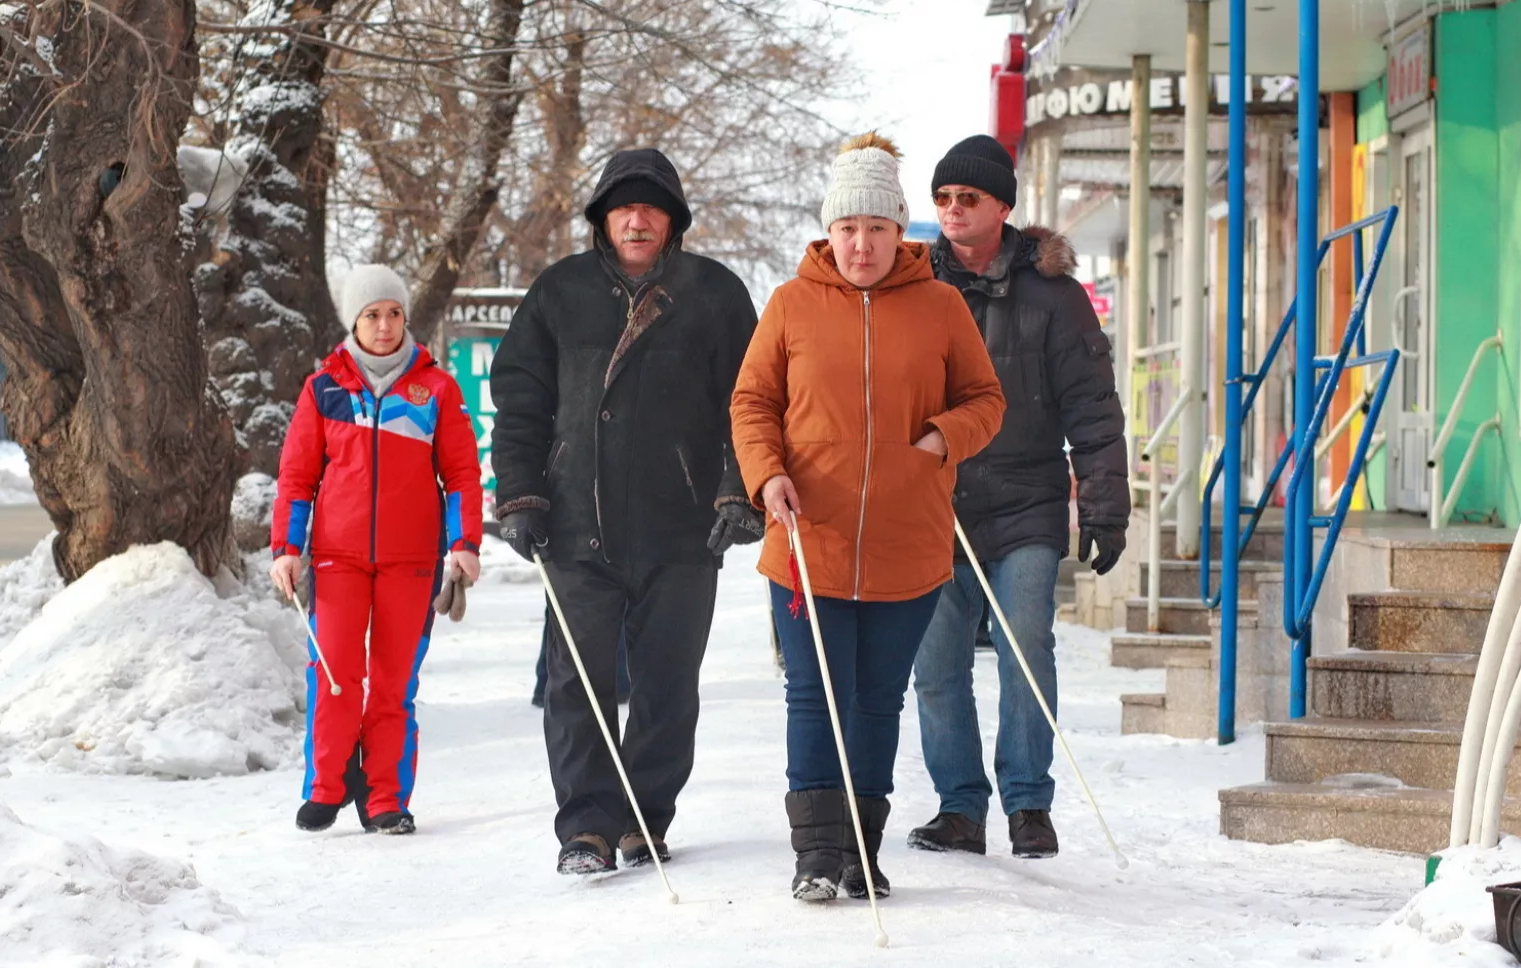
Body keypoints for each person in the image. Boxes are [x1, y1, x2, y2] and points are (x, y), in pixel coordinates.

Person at [730, 132, 1006, 902]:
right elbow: (752, 403)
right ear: (830, 230)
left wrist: (941, 438)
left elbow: (987, 400)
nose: (861, 244)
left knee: (878, 701)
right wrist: (767, 474)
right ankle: (815, 853)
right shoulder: (789, 305)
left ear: (898, 230)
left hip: (906, 545)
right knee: (814, 695)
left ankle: (860, 851)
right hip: (805, 541)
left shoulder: (942, 306)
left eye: (877, 229)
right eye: (848, 229)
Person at [490, 148, 764, 874]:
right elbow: (520, 402)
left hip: (683, 527)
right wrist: (520, 494)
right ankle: (584, 827)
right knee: (577, 681)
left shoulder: (714, 293)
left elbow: (754, 404)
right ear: (603, 220)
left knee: (667, 685)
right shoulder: (559, 292)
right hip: (577, 524)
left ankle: (645, 817)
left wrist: (740, 492)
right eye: (623, 207)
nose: (637, 219)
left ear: (672, 220)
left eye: (651, 207)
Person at [907, 135, 1129, 860]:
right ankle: (959, 808)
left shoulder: (1055, 298)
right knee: (935, 665)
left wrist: (1104, 506)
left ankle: (1028, 802)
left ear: (1002, 205)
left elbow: (1094, 407)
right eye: (941, 199)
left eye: (967, 198)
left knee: (1025, 646)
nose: (953, 211)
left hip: (1026, 502)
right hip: (933, 506)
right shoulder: (913, 291)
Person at [270, 264, 483, 836]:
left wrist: (464, 545)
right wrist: (288, 548)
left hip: (412, 561)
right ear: (354, 321)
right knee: (336, 673)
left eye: (393, 313)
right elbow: (296, 478)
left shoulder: (435, 389)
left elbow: (462, 473)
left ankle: (385, 796)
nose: (384, 325)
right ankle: (328, 784)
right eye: (372, 315)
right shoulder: (324, 390)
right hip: (338, 559)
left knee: (393, 683)